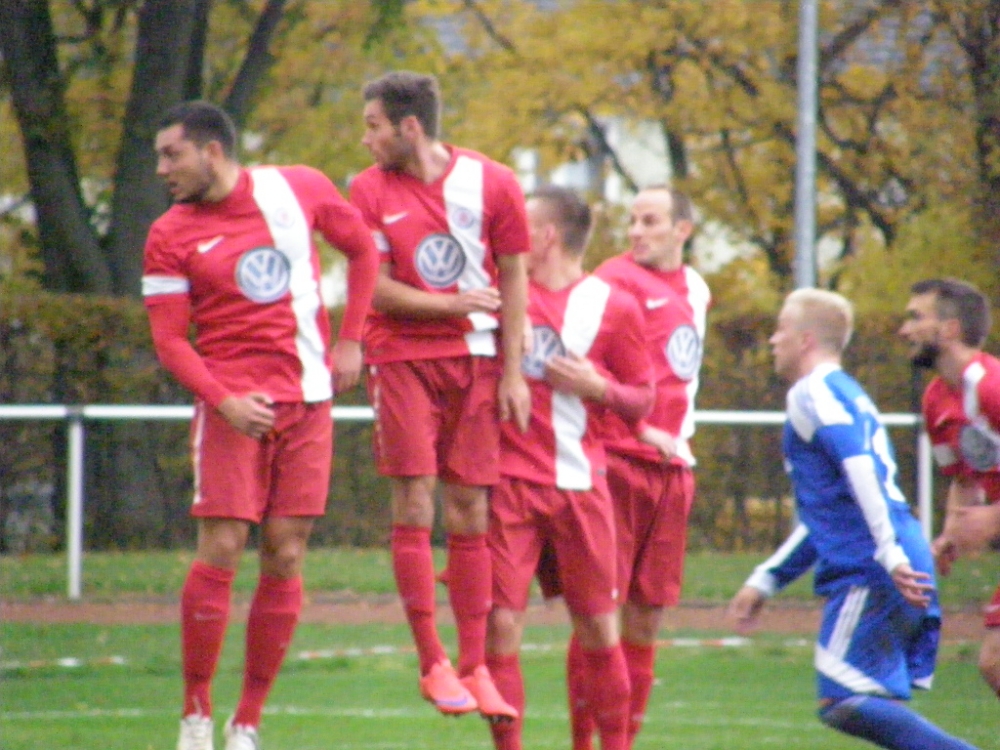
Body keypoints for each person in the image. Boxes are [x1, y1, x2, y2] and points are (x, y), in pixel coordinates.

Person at [142, 100, 379, 750]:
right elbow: (171, 342)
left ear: (211, 151)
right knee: (221, 548)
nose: (161, 168)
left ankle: (246, 722)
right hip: (232, 411)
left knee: (286, 551)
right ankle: (195, 715)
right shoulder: (168, 233)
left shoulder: (298, 188)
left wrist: (352, 341)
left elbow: (363, 251)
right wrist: (224, 402)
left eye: (171, 154)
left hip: (308, 402)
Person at [348, 70, 531, 721]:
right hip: (400, 359)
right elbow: (373, 287)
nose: (366, 139)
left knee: (471, 509)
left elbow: (515, 278)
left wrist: (513, 372)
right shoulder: (367, 190)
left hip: (477, 363)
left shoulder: (494, 182)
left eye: (373, 126)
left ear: (410, 127)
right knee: (415, 499)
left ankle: (476, 666)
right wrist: (452, 305)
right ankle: (433, 661)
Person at [727, 288, 979, 750]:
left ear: (805, 339)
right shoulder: (845, 392)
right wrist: (767, 579)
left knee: (842, 701)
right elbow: (832, 511)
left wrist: (888, 554)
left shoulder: (813, 391)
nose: (773, 340)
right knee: (875, 704)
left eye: (781, 329)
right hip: (896, 551)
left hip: (876, 564)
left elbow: (860, 465)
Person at [485, 186, 654, 750]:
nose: (508, 239)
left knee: (600, 629)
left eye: (521, 228)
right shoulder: (501, 296)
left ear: (548, 236)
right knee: (500, 625)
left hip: (580, 486)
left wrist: (598, 387)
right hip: (508, 486)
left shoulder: (613, 306)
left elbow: (642, 399)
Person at [564, 185, 710, 749]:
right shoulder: (610, 282)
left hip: (672, 471)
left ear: (682, 229)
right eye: (632, 221)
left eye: (650, 221)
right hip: (617, 463)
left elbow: (681, 378)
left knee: (647, 619)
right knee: (599, 617)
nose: (636, 232)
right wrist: (634, 425)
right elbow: (579, 367)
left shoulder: (697, 289)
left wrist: (675, 436)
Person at [899, 277, 1000, 702]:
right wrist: (950, 534)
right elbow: (963, 478)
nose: (904, 330)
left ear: (950, 329)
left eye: (915, 318)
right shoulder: (936, 399)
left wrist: (993, 517)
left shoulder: (991, 386)